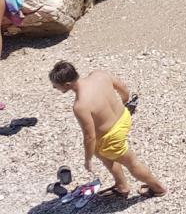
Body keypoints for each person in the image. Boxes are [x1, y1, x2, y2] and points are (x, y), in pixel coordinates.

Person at [50, 61, 167, 200]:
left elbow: (89, 137)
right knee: (101, 150)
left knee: (131, 162)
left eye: (55, 85)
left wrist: (87, 159)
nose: (53, 87)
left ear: (67, 85)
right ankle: (121, 185)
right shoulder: (99, 75)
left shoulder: (80, 105)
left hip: (112, 136)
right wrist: (124, 102)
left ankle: (158, 188)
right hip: (124, 118)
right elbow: (123, 89)